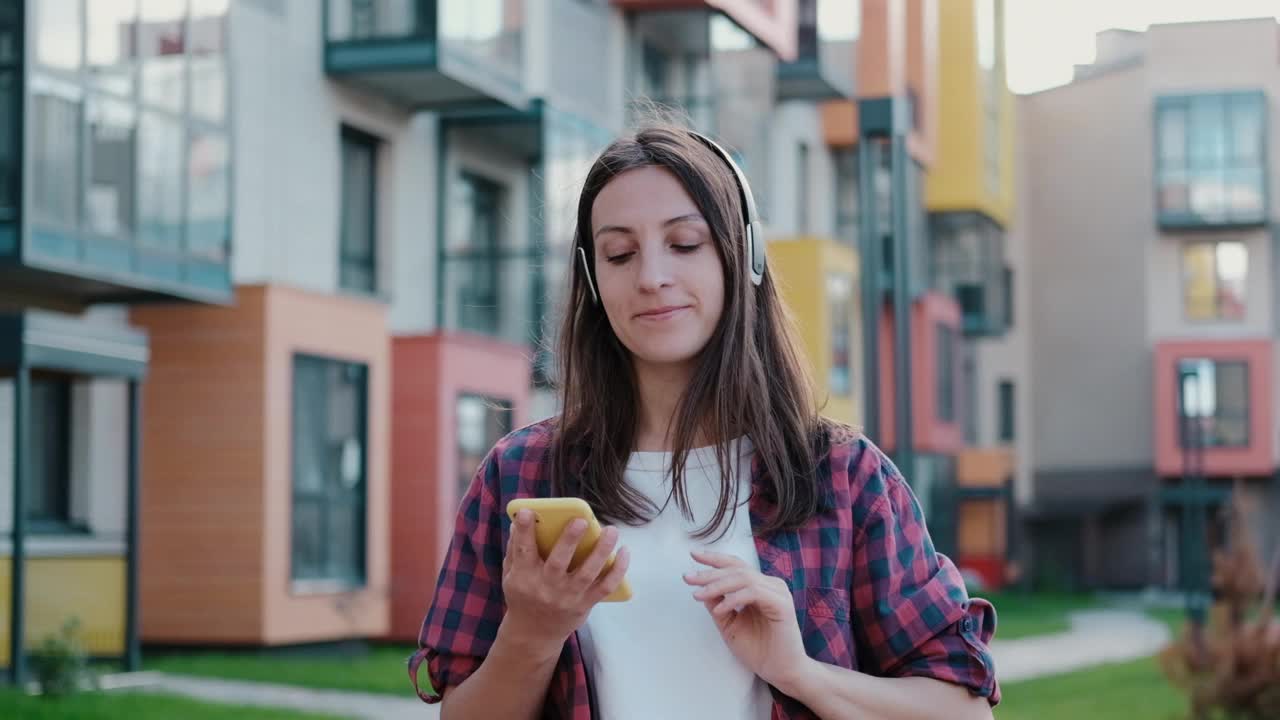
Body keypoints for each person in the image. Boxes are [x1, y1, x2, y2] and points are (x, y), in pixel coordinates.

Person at [408, 123, 1000, 720]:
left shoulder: (844, 477)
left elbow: (965, 712)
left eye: (685, 244)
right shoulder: (524, 475)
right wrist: (532, 633)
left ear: (746, 256)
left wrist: (799, 673)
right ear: (592, 280)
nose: (651, 277)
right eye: (619, 253)